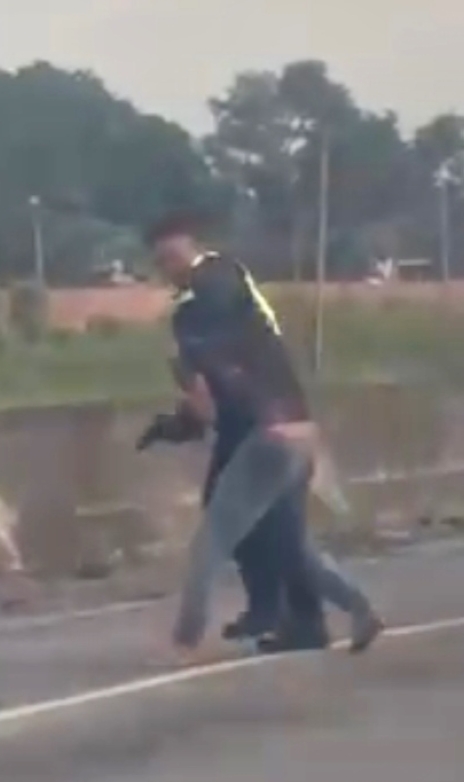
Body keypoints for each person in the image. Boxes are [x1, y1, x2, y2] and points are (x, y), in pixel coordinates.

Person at [144, 212, 384, 654]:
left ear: (191, 250)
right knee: (291, 543)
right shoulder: (235, 285)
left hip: (267, 434)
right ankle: (358, 609)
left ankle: (184, 638)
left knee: (211, 542)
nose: (170, 267)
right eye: (164, 260)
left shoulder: (193, 311)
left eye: (172, 257)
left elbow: (204, 400)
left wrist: (180, 408)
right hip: (298, 428)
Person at [137, 397, 282, 640]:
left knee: (263, 537)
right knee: (251, 535)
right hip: (253, 438)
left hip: (258, 438)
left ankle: (190, 635)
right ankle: (266, 609)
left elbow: (206, 402)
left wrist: (182, 422)